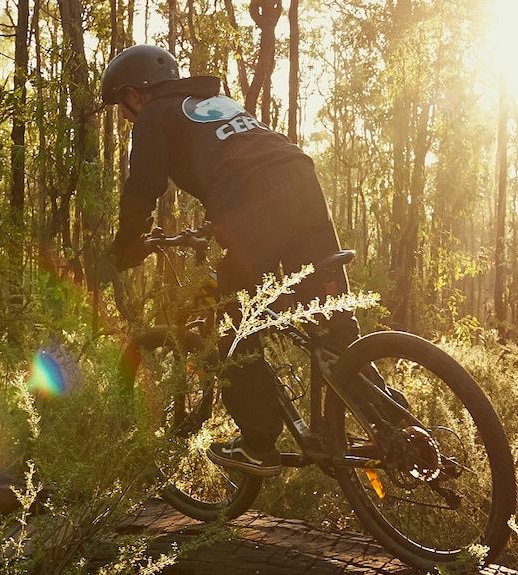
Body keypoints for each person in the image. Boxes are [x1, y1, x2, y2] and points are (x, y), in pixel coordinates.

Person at [103, 45, 360, 476]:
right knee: (329, 314)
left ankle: (258, 443)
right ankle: (393, 426)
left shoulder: (155, 114)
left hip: (256, 198)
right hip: (300, 178)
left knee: (225, 316)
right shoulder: (213, 102)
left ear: (134, 93)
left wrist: (124, 247)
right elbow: (237, 162)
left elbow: (143, 188)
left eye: (122, 106)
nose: (126, 117)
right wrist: (218, 224)